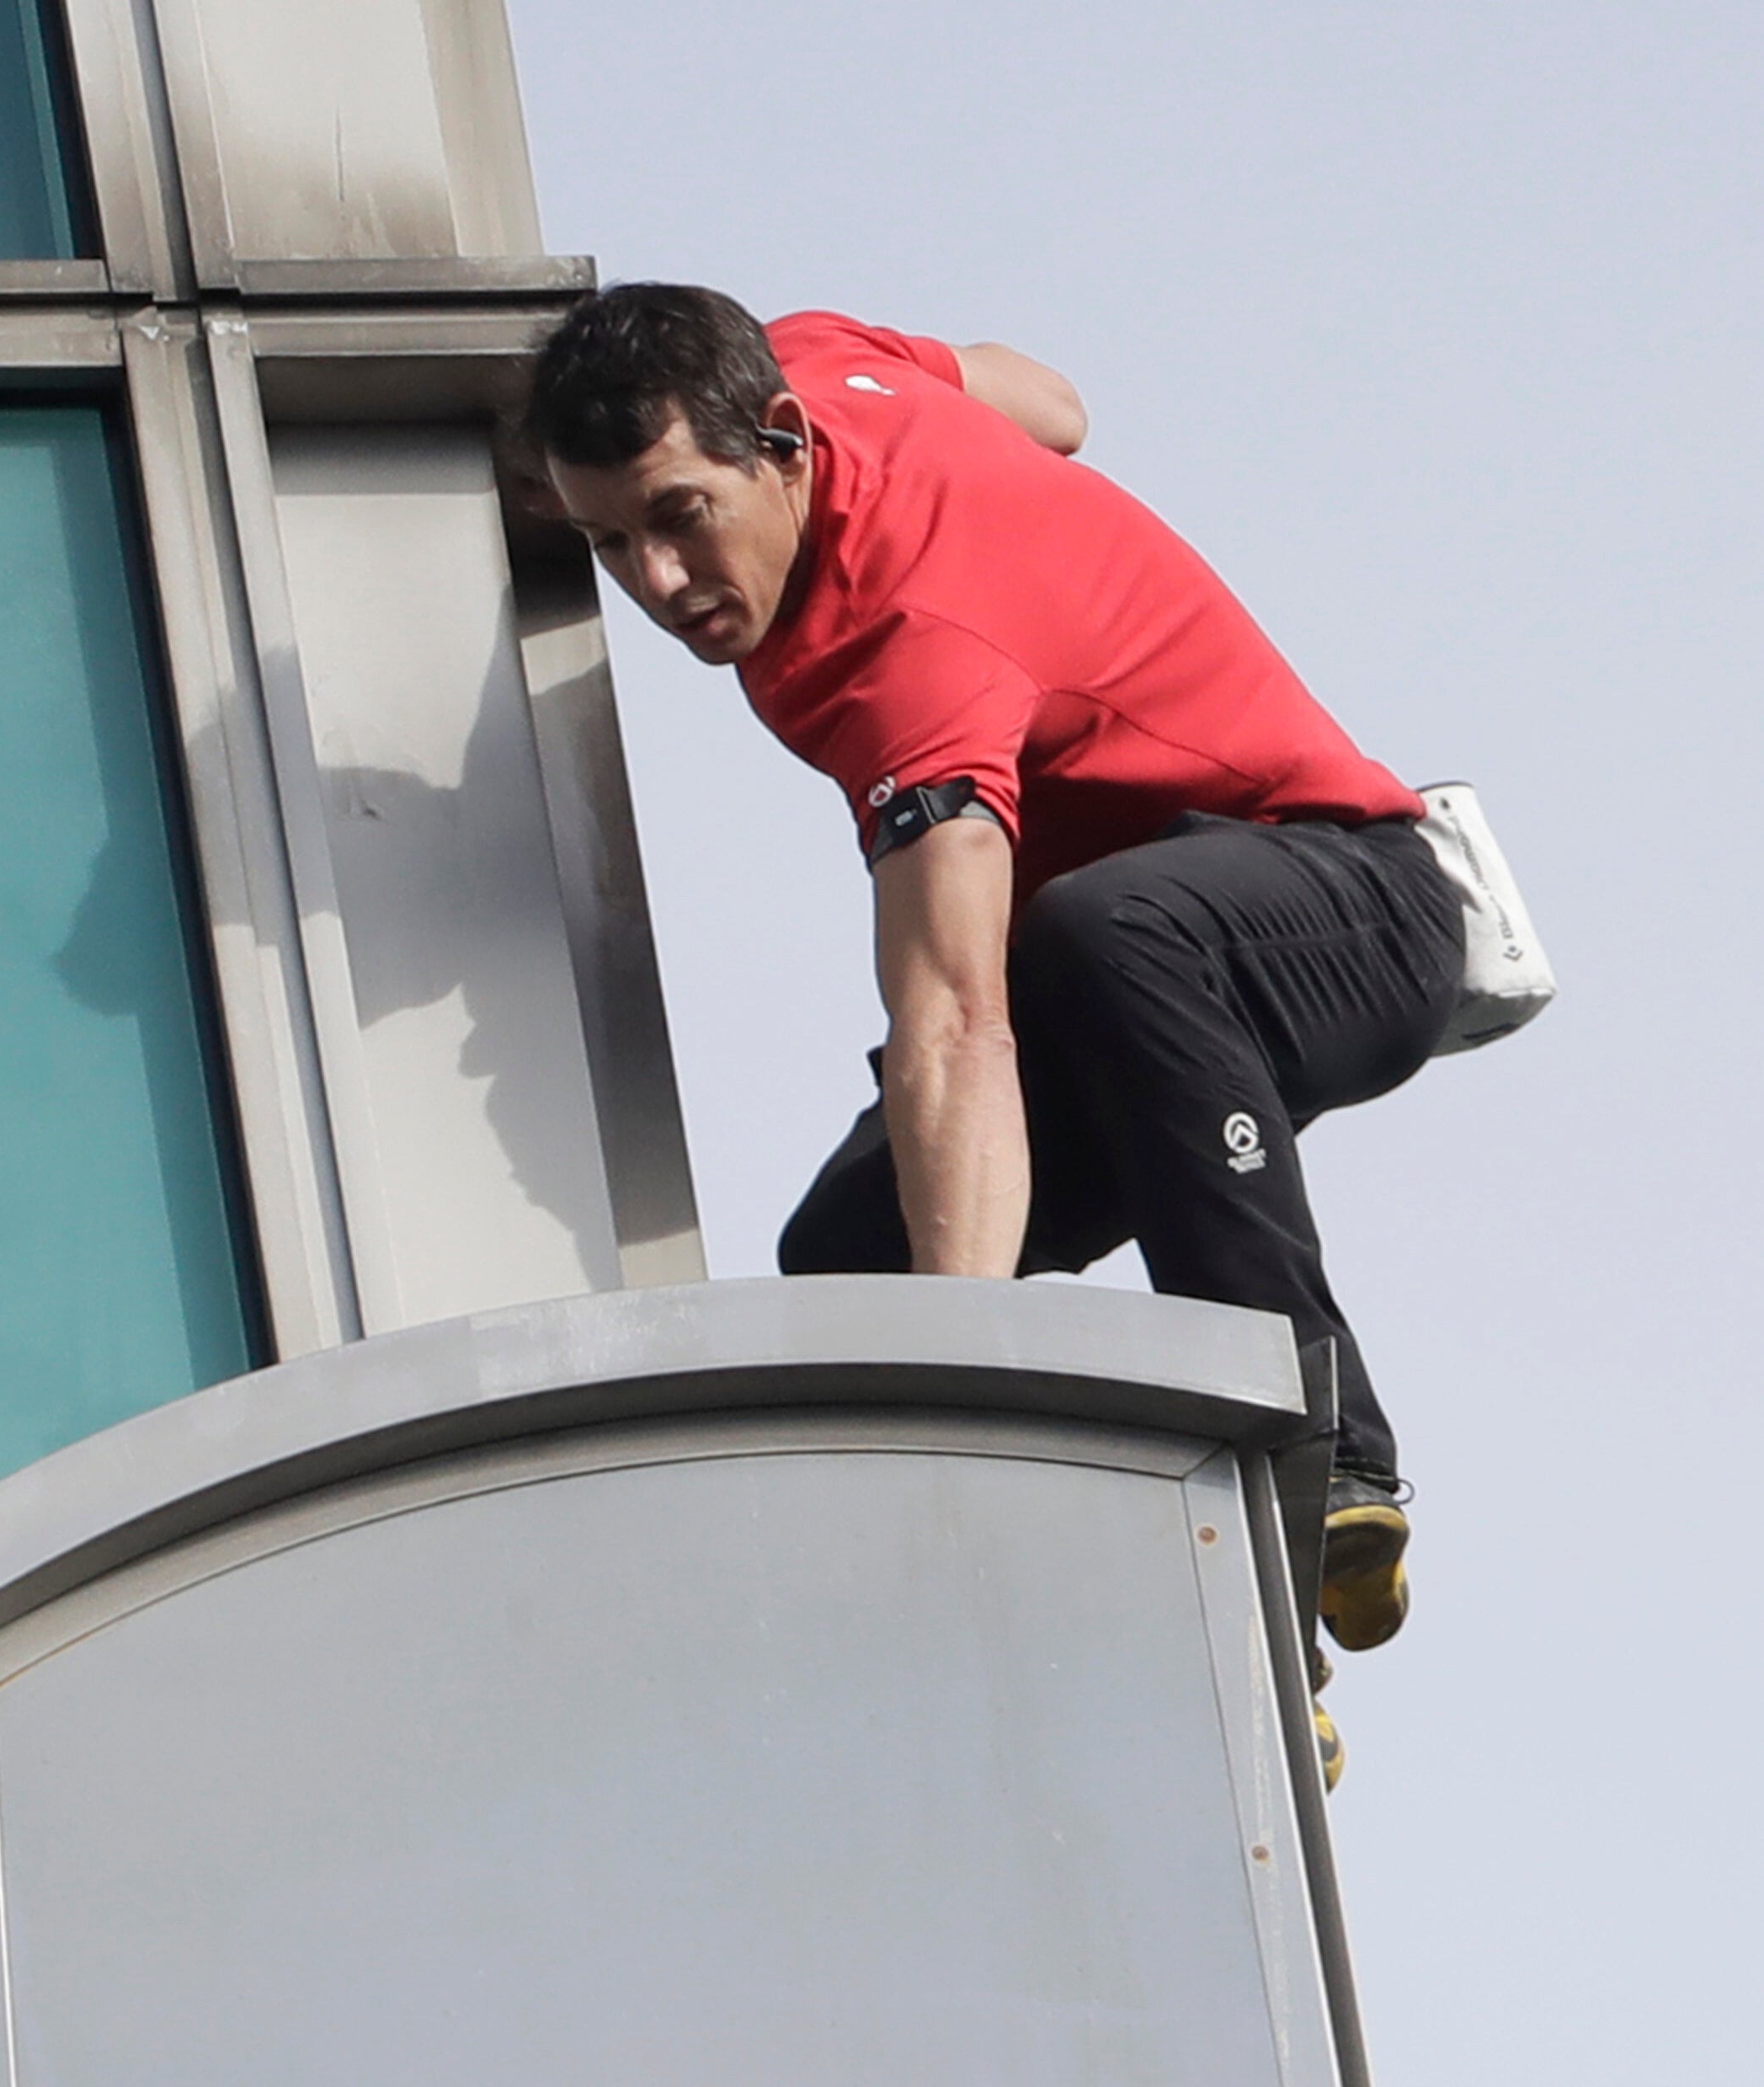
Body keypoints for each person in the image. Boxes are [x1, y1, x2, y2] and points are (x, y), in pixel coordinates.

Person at [526, 284, 1459, 1776]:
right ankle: (1191, 1648)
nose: (658, 581)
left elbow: (956, 1022)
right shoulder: (822, 360)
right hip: (1131, 992)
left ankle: (1328, 1446)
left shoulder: (917, 661)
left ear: (778, 449)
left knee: (1090, 943)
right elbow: (1054, 404)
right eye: (608, 542)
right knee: (849, 1266)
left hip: (1352, 891)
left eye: (682, 518)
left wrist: (964, 1396)